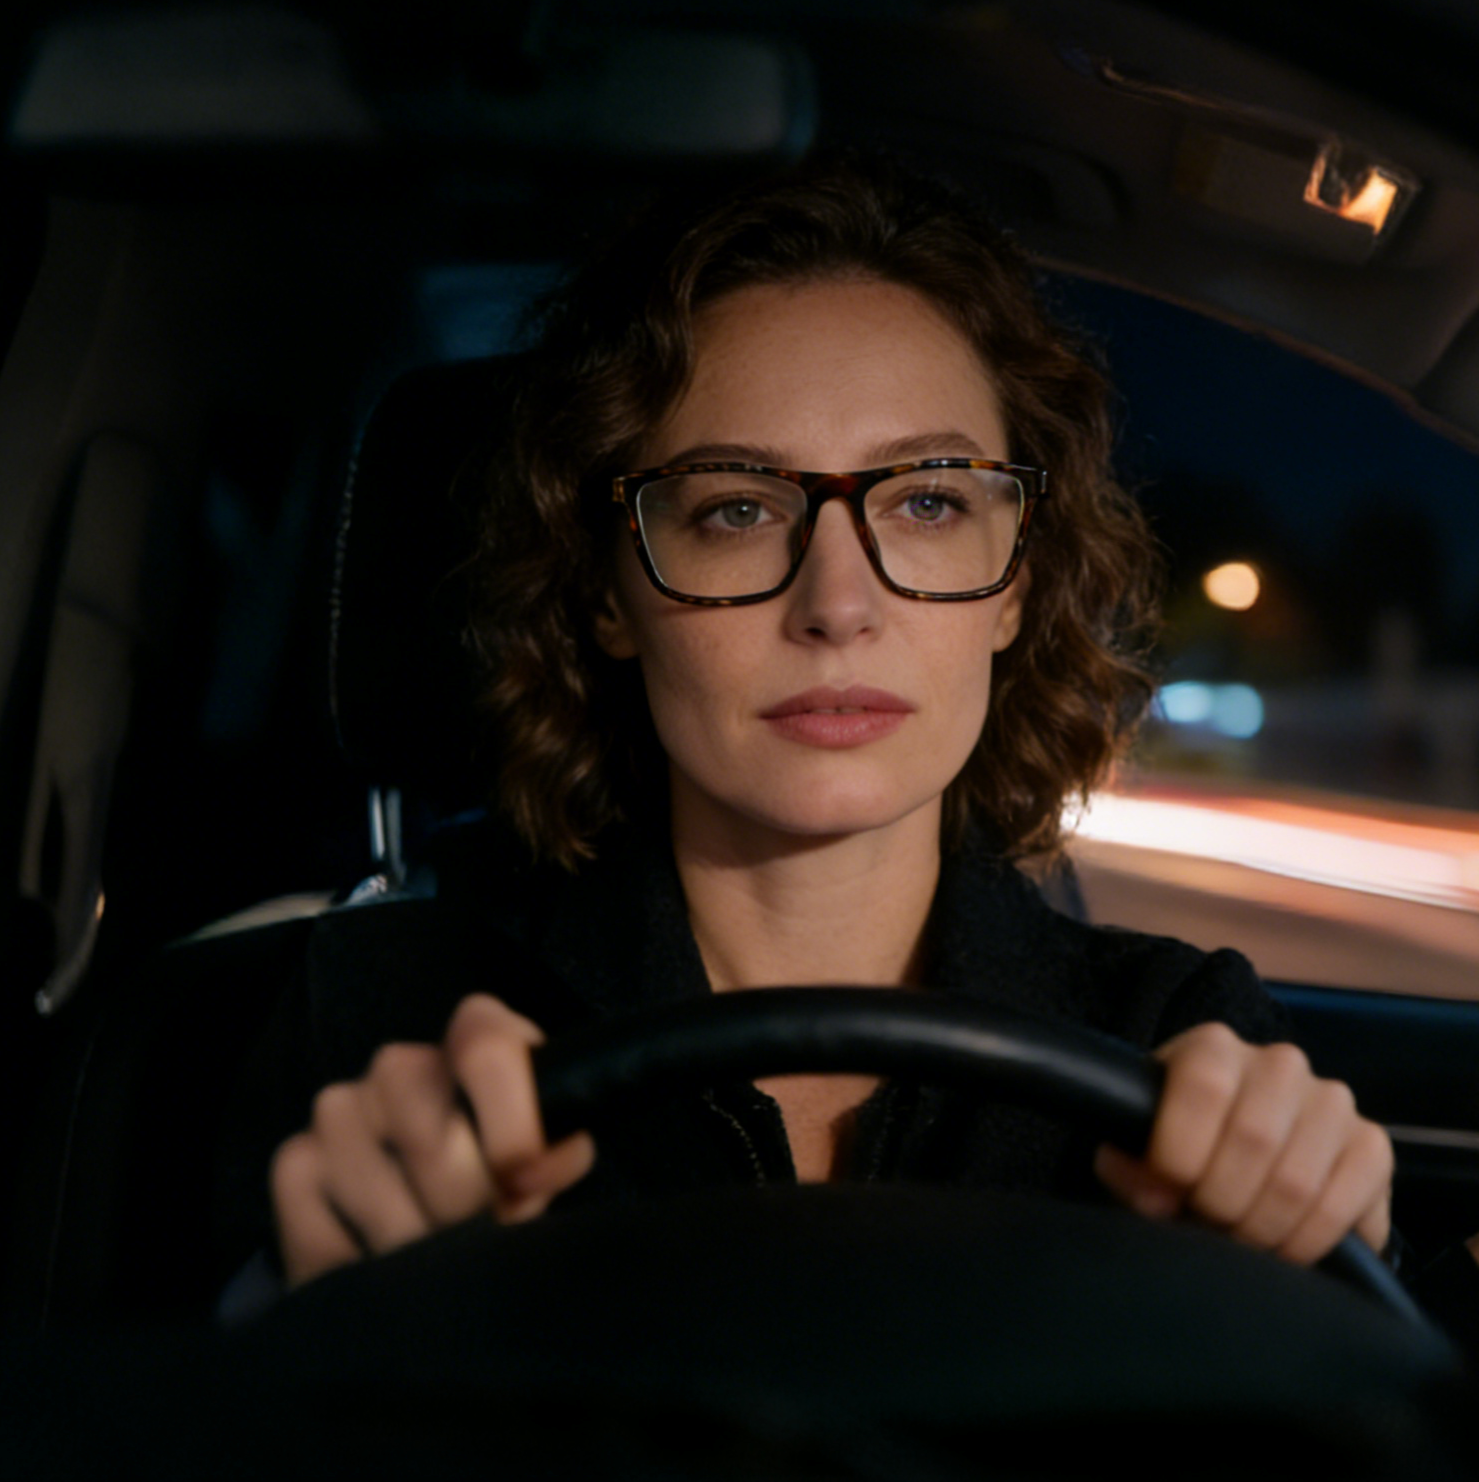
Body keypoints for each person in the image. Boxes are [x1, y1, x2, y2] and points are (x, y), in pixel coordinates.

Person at [250, 151, 1395, 1296]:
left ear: (1015, 585)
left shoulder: (1175, 1048)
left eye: (929, 501)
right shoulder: (383, 1032)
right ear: (609, 595)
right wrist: (311, 1301)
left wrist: (1322, 1250)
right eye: (736, 511)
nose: (839, 606)